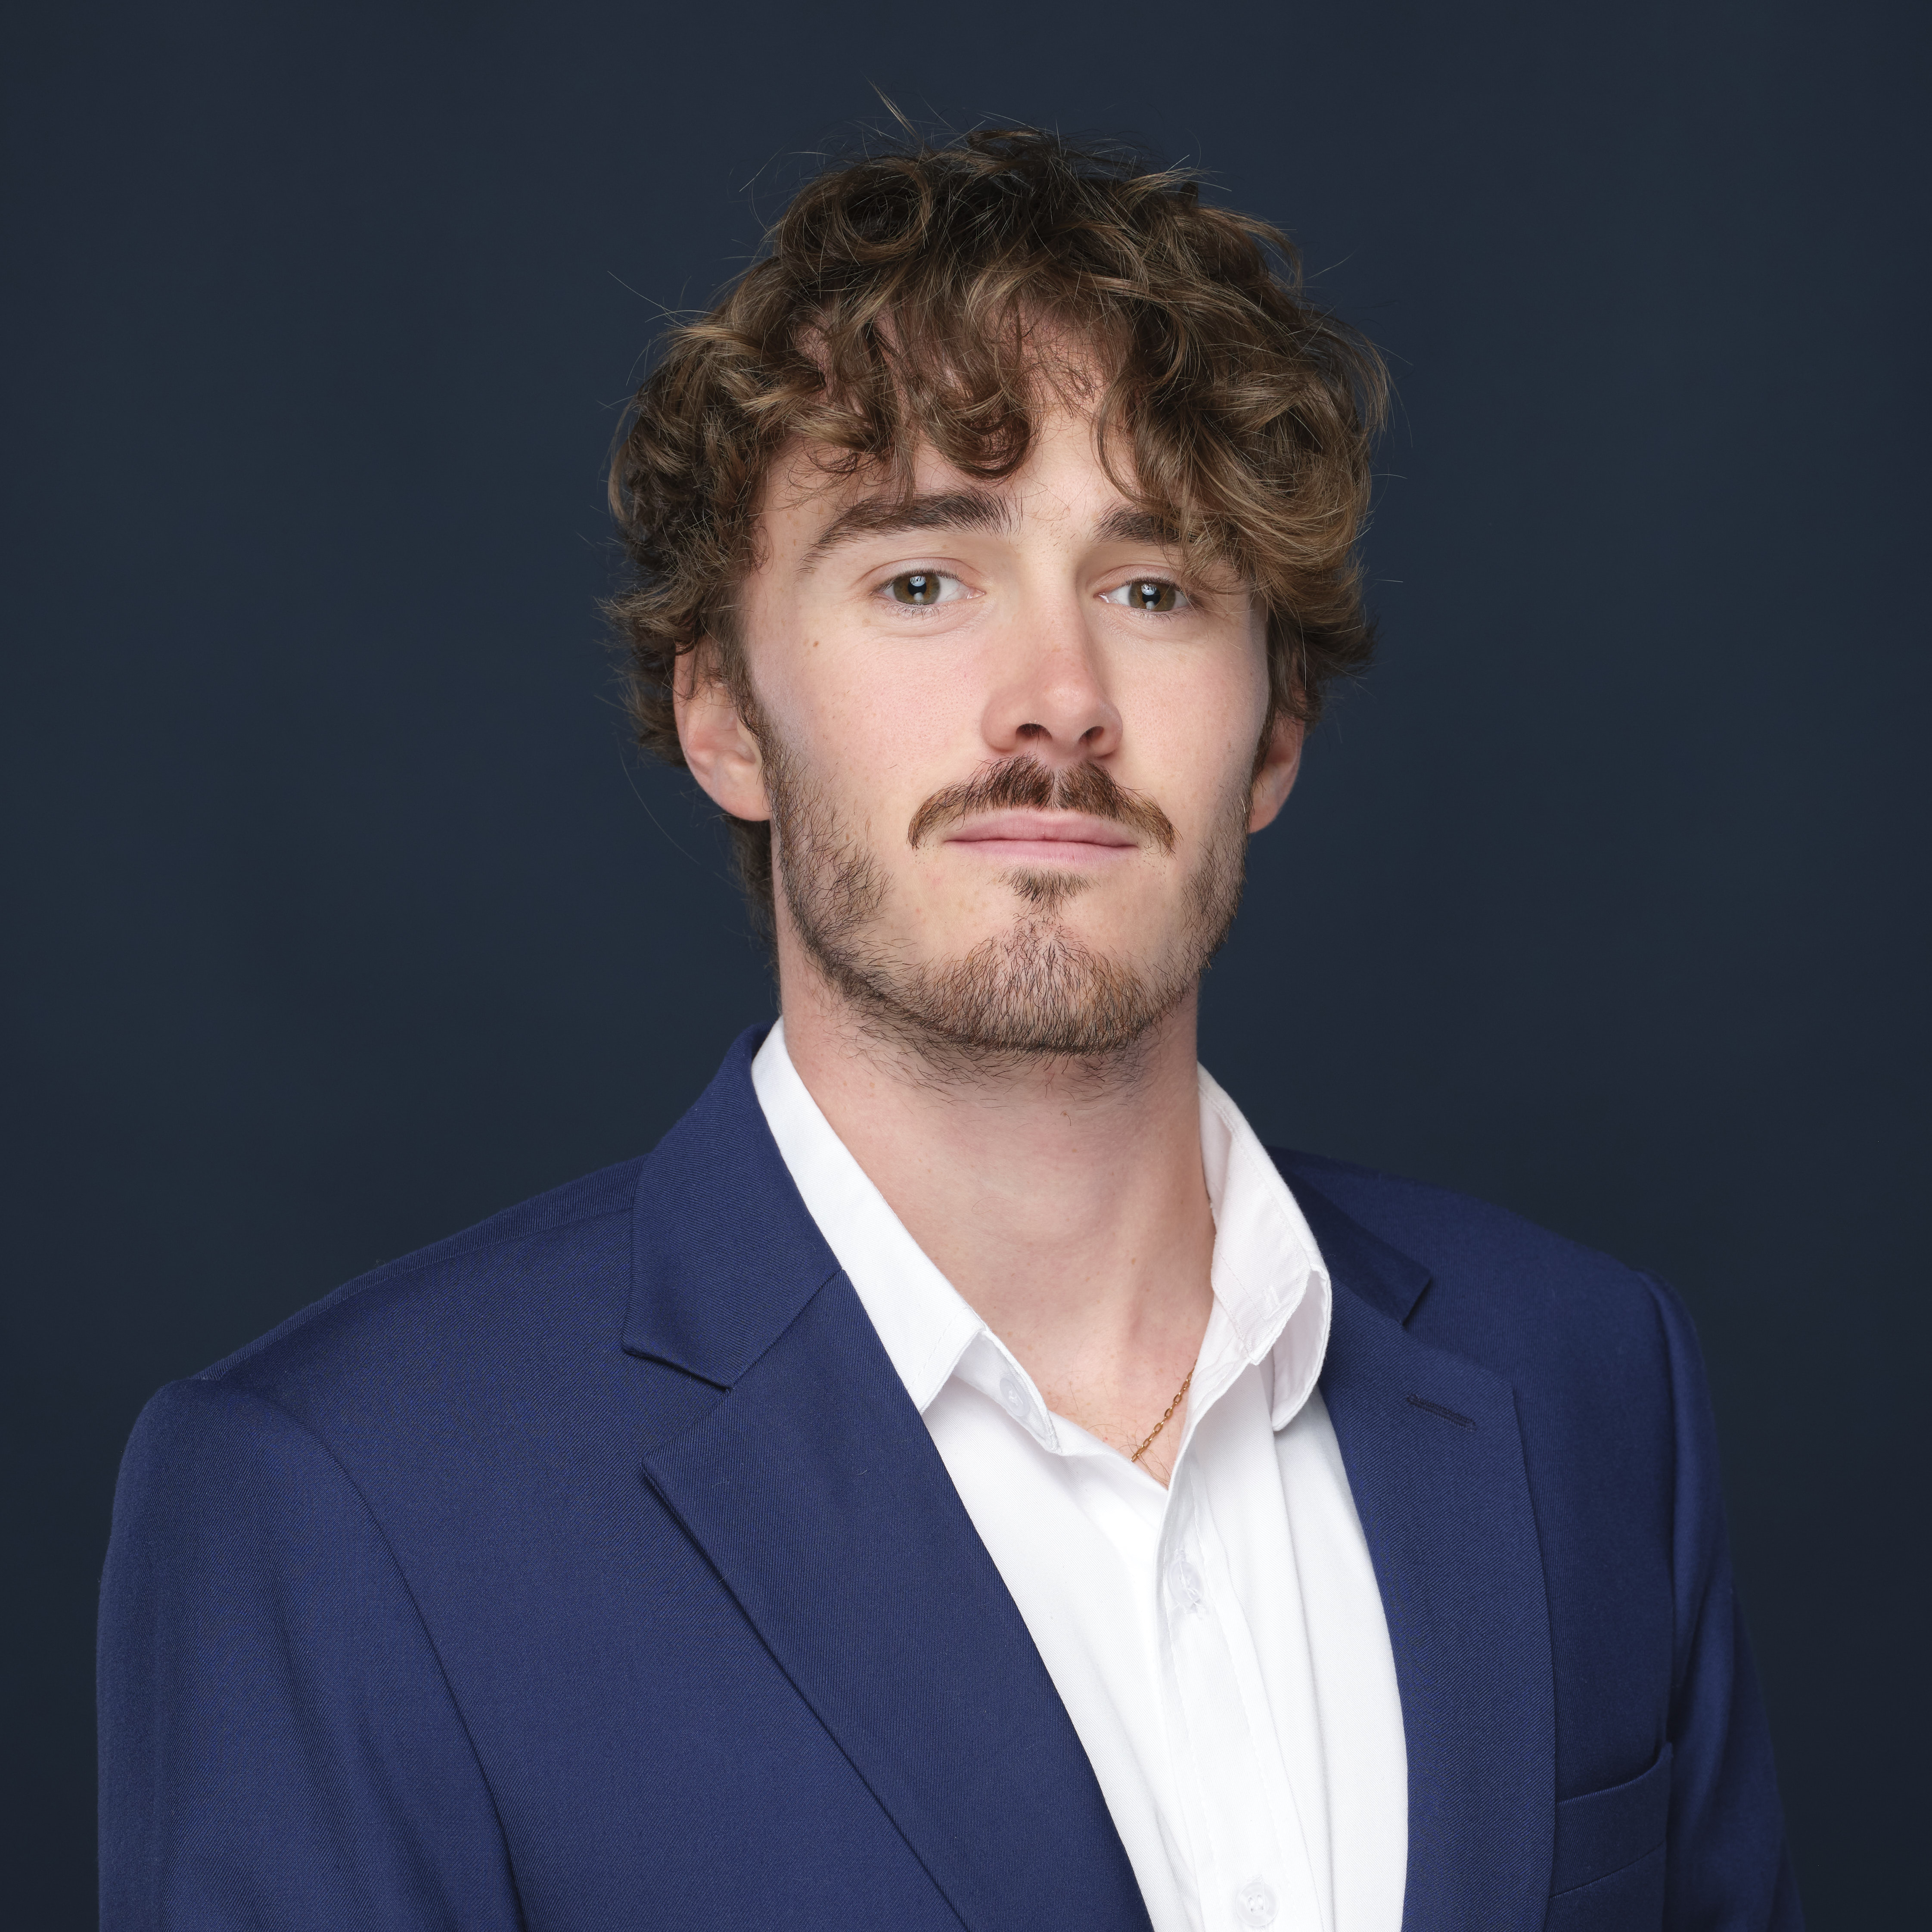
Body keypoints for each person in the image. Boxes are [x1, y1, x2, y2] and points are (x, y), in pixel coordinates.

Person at [97, 128, 1800, 1932]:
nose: (1058, 700)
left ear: (1275, 734)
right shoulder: (341, 1502)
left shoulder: (1590, 1379)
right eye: (922, 579)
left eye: (1155, 590)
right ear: (724, 716)